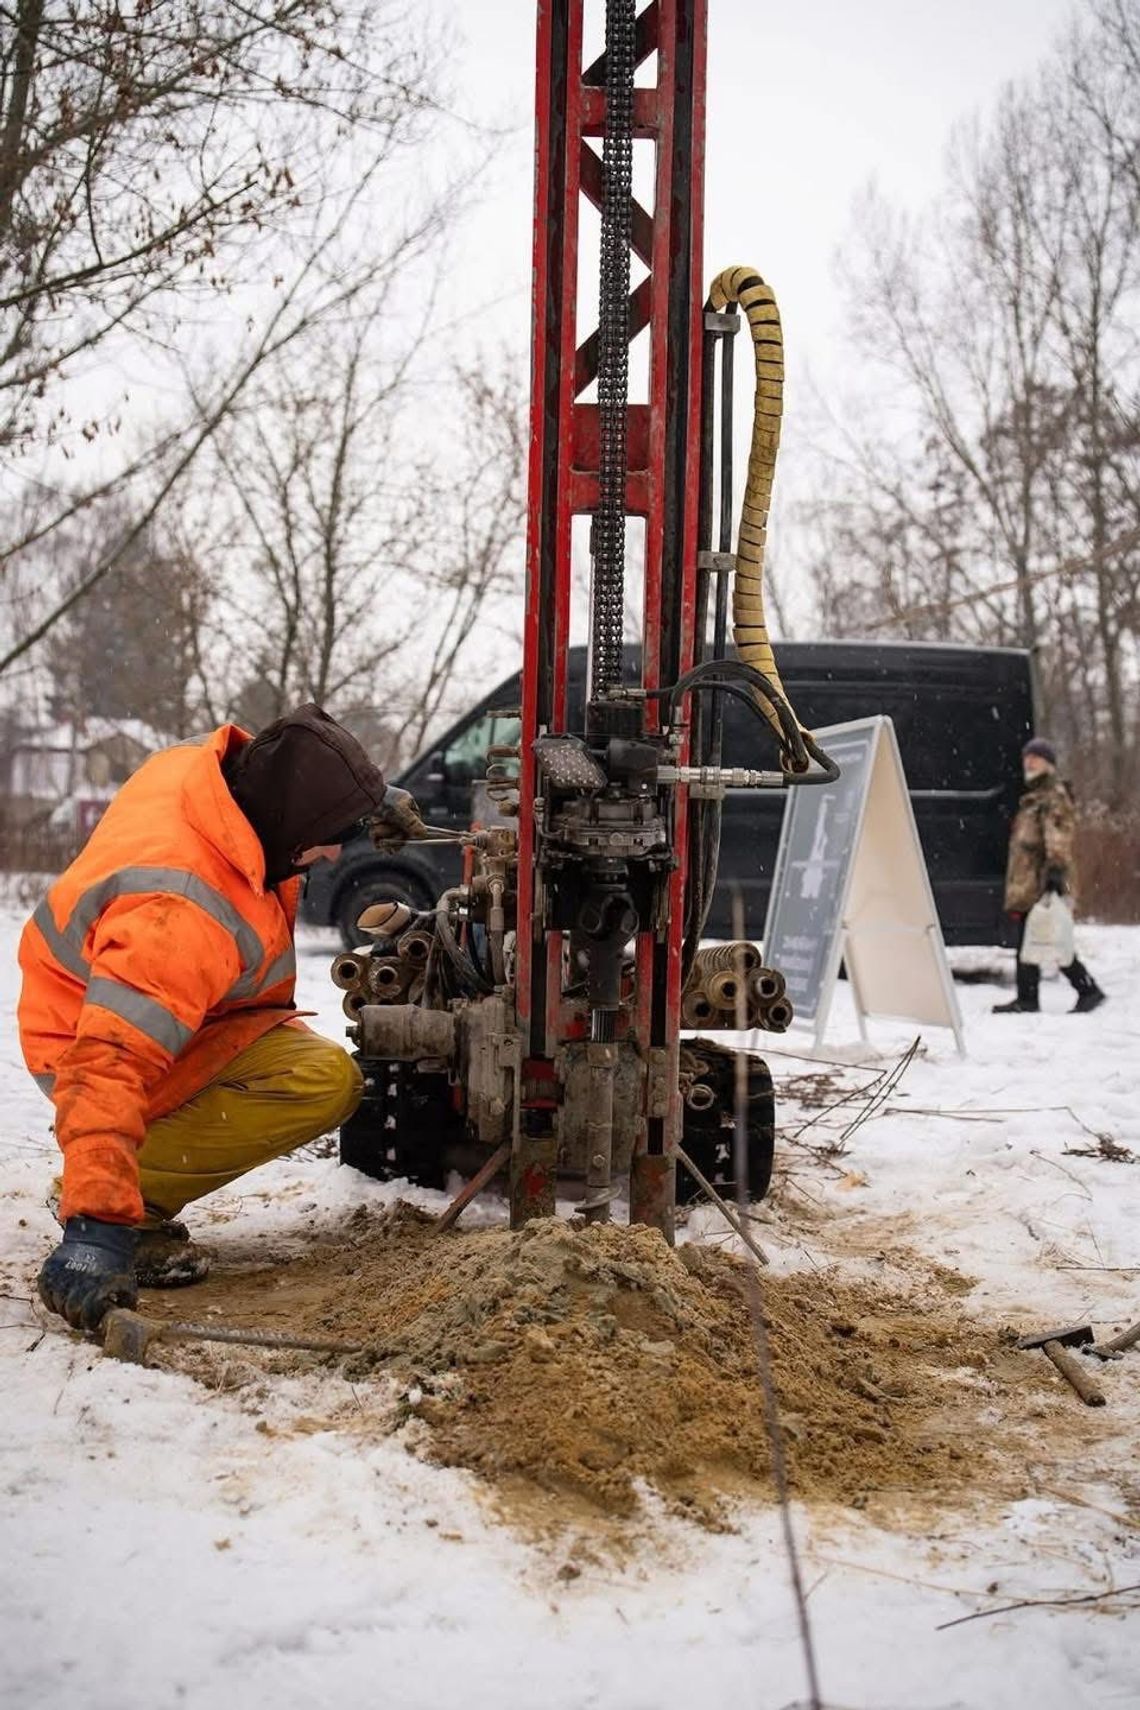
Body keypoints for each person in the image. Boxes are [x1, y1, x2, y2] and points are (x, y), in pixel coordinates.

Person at [20, 704, 393, 1332]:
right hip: (94, 1041)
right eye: (331, 836)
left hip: (171, 1012)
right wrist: (98, 1225)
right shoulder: (180, 911)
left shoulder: (204, 776)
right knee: (318, 1082)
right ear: (289, 823)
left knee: (311, 1066)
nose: (333, 855)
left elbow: (274, 768)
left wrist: (367, 802)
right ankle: (126, 1201)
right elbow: (106, 1065)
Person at [993, 736, 1105, 1016]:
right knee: (1028, 939)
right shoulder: (1032, 797)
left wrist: (1054, 874)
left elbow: (1058, 838)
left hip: (1042, 881)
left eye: (1037, 757)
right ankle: (1028, 998)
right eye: (1027, 757)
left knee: (1051, 938)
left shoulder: (1052, 796)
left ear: (1050, 764)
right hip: (1028, 880)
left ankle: (1088, 990)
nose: (1029, 761)